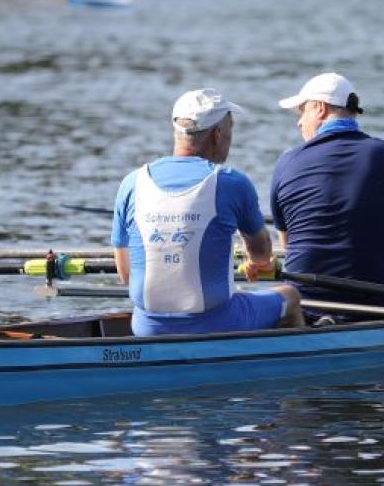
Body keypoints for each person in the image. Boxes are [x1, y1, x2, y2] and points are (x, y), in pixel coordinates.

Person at [110, 89, 303, 337]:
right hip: (218, 322)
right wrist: (257, 265)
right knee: (290, 296)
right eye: (231, 130)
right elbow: (262, 254)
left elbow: (125, 274)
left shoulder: (131, 183)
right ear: (217, 134)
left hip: (148, 327)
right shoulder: (232, 182)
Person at [270, 73, 384, 296]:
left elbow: (289, 245)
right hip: (375, 296)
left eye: (302, 111)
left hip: (306, 299)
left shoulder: (285, 162)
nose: (299, 122)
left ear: (320, 108)